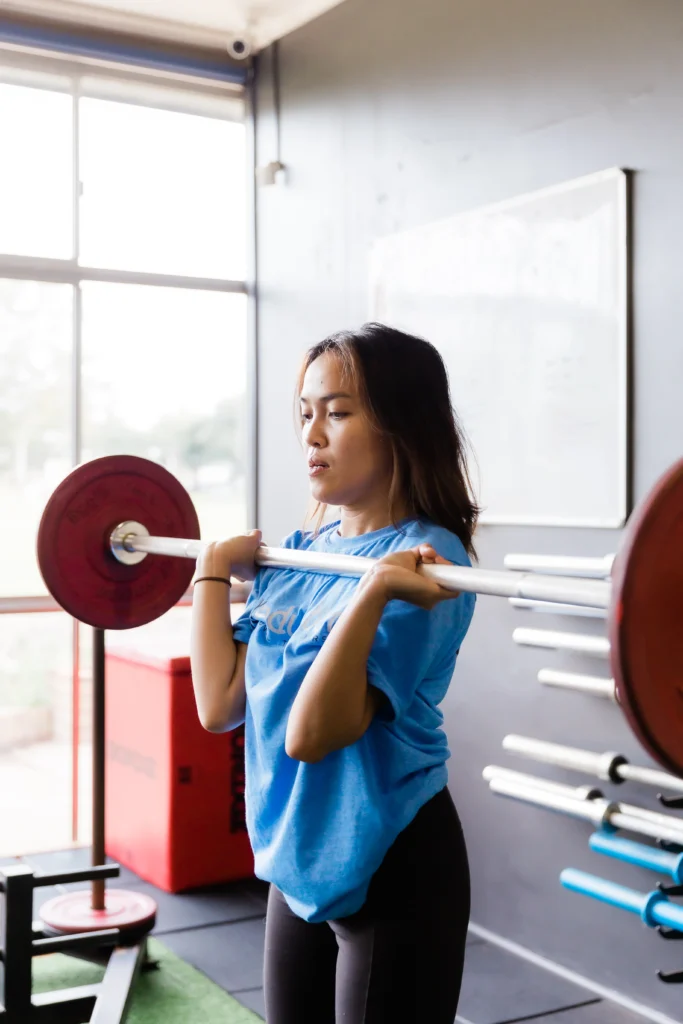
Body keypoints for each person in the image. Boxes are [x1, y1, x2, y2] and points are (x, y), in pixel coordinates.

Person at [190, 322, 479, 1024]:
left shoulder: (431, 565)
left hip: (393, 857)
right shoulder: (302, 553)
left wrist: (377, 589)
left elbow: (312, 733)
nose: (312, 434)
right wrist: (208, 571)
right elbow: (218, 704)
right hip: (296, 854)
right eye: (304, 413)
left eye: (339, 412)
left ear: (402, 427)